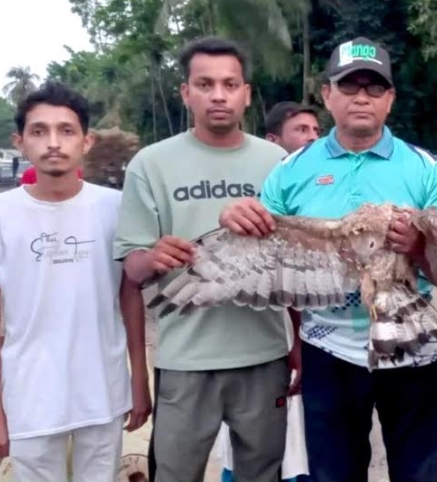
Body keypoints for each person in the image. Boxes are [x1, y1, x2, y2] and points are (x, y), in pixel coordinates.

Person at [218, 36, 437, 482]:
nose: (361, 97)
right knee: (332, 475)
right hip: (327, 349)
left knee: (417, 473)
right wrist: (235, 222)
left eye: (374, 87)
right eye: (349, 86)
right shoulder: (291, 170)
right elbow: (269, 259)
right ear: (327, 94)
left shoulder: (425, 169)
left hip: (411, 345)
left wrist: (418, 247)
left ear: (390, 99)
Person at [114, 36, 295, 482]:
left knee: (262, 473)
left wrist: (299, 345)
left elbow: (294, 263)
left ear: (246, 93)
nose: (218, 95)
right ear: (186, 92)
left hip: (263, 354)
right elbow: (131, 269)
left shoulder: (278, 162)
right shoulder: (150, 164)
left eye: (230, 85)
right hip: (185, 359)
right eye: (205, 84)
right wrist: (153, 256)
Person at [0, 81, 151, 482]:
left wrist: (139, 379)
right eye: (39, 131)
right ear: (20, 142)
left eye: (66, 130)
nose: (53, 143)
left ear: (87, 140)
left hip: (103, 390)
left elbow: (130, 299)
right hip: (30, 396)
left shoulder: (114, 208)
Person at [217, 100, 319, 482]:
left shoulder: (318, 191)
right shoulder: (253, 201)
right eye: (301, 130)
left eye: (316, 130)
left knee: (302, 447)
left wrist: (301, 341)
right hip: (248, 344)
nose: (312, 138)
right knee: (248, 449)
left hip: (307, 341)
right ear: (273, 141)